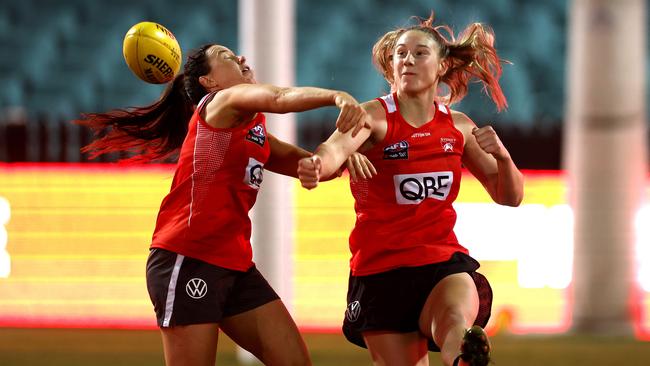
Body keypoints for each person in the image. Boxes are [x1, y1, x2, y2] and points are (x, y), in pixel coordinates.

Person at [75, 43, 372, 366]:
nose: (242, 58)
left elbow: (307, 163)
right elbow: (279, 98)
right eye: (228, 57)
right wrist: (337, 96)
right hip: (188, 257)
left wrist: (333, 159)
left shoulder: (251, 128)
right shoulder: (219, 102)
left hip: (235, 265)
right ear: (209, 82)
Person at [297, 13, 524, 366]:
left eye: (420, 54)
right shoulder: (372, 117)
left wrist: (505, 157)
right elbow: (335, 149)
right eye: (401, 53)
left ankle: (464, 356)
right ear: (391, 63)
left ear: (442, 65)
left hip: (441, 263)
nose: (408, 60)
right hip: (381, 272)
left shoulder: (459, 128)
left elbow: (510, 195)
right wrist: (317, 164)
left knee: (454, 323)